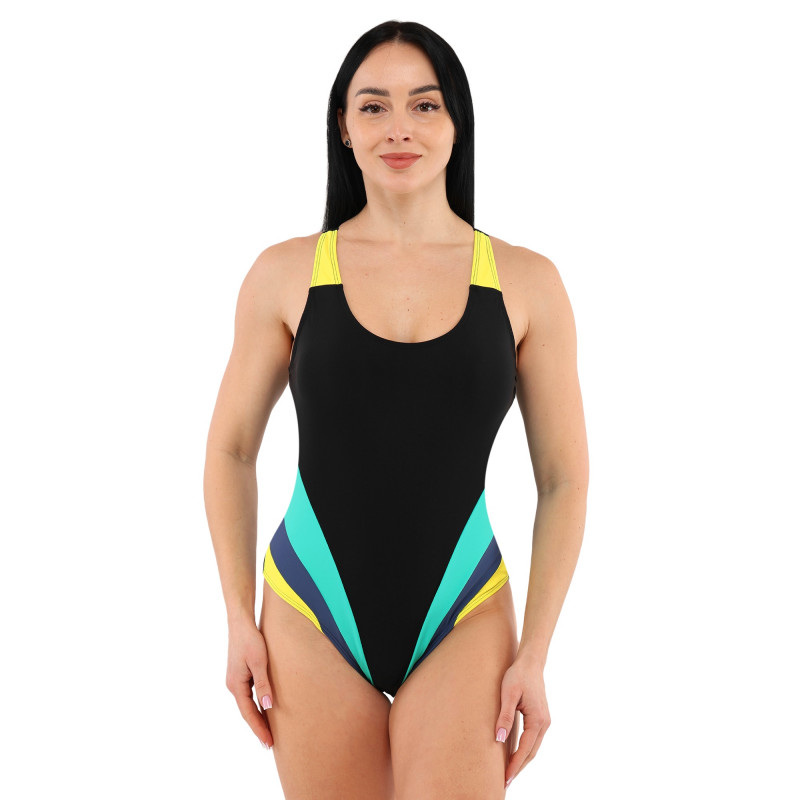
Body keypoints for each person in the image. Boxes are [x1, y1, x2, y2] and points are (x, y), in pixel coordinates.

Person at [204, 19, 588, 799]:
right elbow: (231, 449)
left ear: (457, 123)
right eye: (374, 106)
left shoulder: (527, 282)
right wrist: (239, 617)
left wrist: (536, 653)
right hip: (310, 607)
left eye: (425, 104)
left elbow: (562, 478)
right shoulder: (284, 274)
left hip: (463, 609)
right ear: (343, 127)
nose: (399, 128)